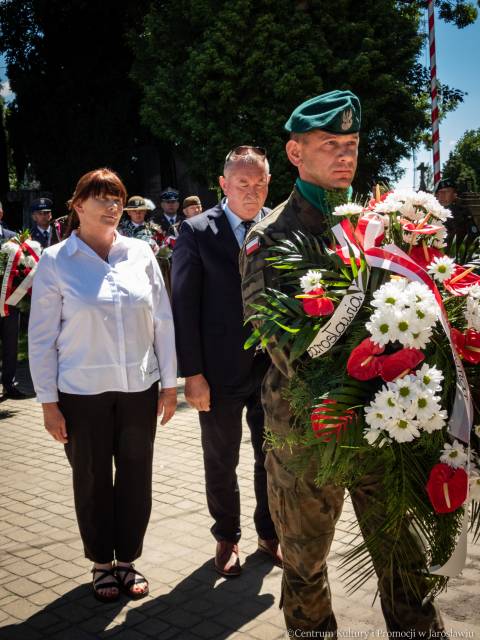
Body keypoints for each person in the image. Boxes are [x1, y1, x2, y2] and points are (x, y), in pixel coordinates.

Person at [240, 91, 446, 634]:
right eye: (329, 144)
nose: (344, 155)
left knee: (405, 560)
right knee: (305, 567)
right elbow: (287, 350)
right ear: (294, 152)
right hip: (309, 433)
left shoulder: (390, 226)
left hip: (388, 426)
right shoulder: (272, 236)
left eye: (351, 144)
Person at [28, 168, 177, 603]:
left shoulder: (140, 253)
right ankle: (100, 563)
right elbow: (40, 339)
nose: (113, 206)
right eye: (102, 198)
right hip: (80, 394)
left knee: (135, 477)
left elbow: (162, 321)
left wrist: (170, 385)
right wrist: (48, 403)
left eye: (118, 199)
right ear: (77, 206)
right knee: (91, 479)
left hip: (138, 389)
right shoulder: (56, 261)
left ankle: (128, 559)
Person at [171, 146, 281, 577]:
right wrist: (192, 374)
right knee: (221, 459)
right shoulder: (196, 231)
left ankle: (269, 533)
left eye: (259, 183)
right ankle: (226, 536)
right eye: (242, 183)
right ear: (223, 184)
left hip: (272, 369)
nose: (251, 191)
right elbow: (184, 307)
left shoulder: (278, 226)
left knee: (270, 455)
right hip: (217, 372)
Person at [0, 201, 28, 399]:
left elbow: (25, 267)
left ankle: (9, 383)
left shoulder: (13, 239)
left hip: (9, 302)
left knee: (11, 344)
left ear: (1, 213)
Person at [435, 178, 478, 242]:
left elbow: (472, 237)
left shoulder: (463, 213)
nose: (443, 194)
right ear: (437, 195)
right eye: (441, 192)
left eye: (448, 191)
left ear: (455, 195)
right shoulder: (430, 212)